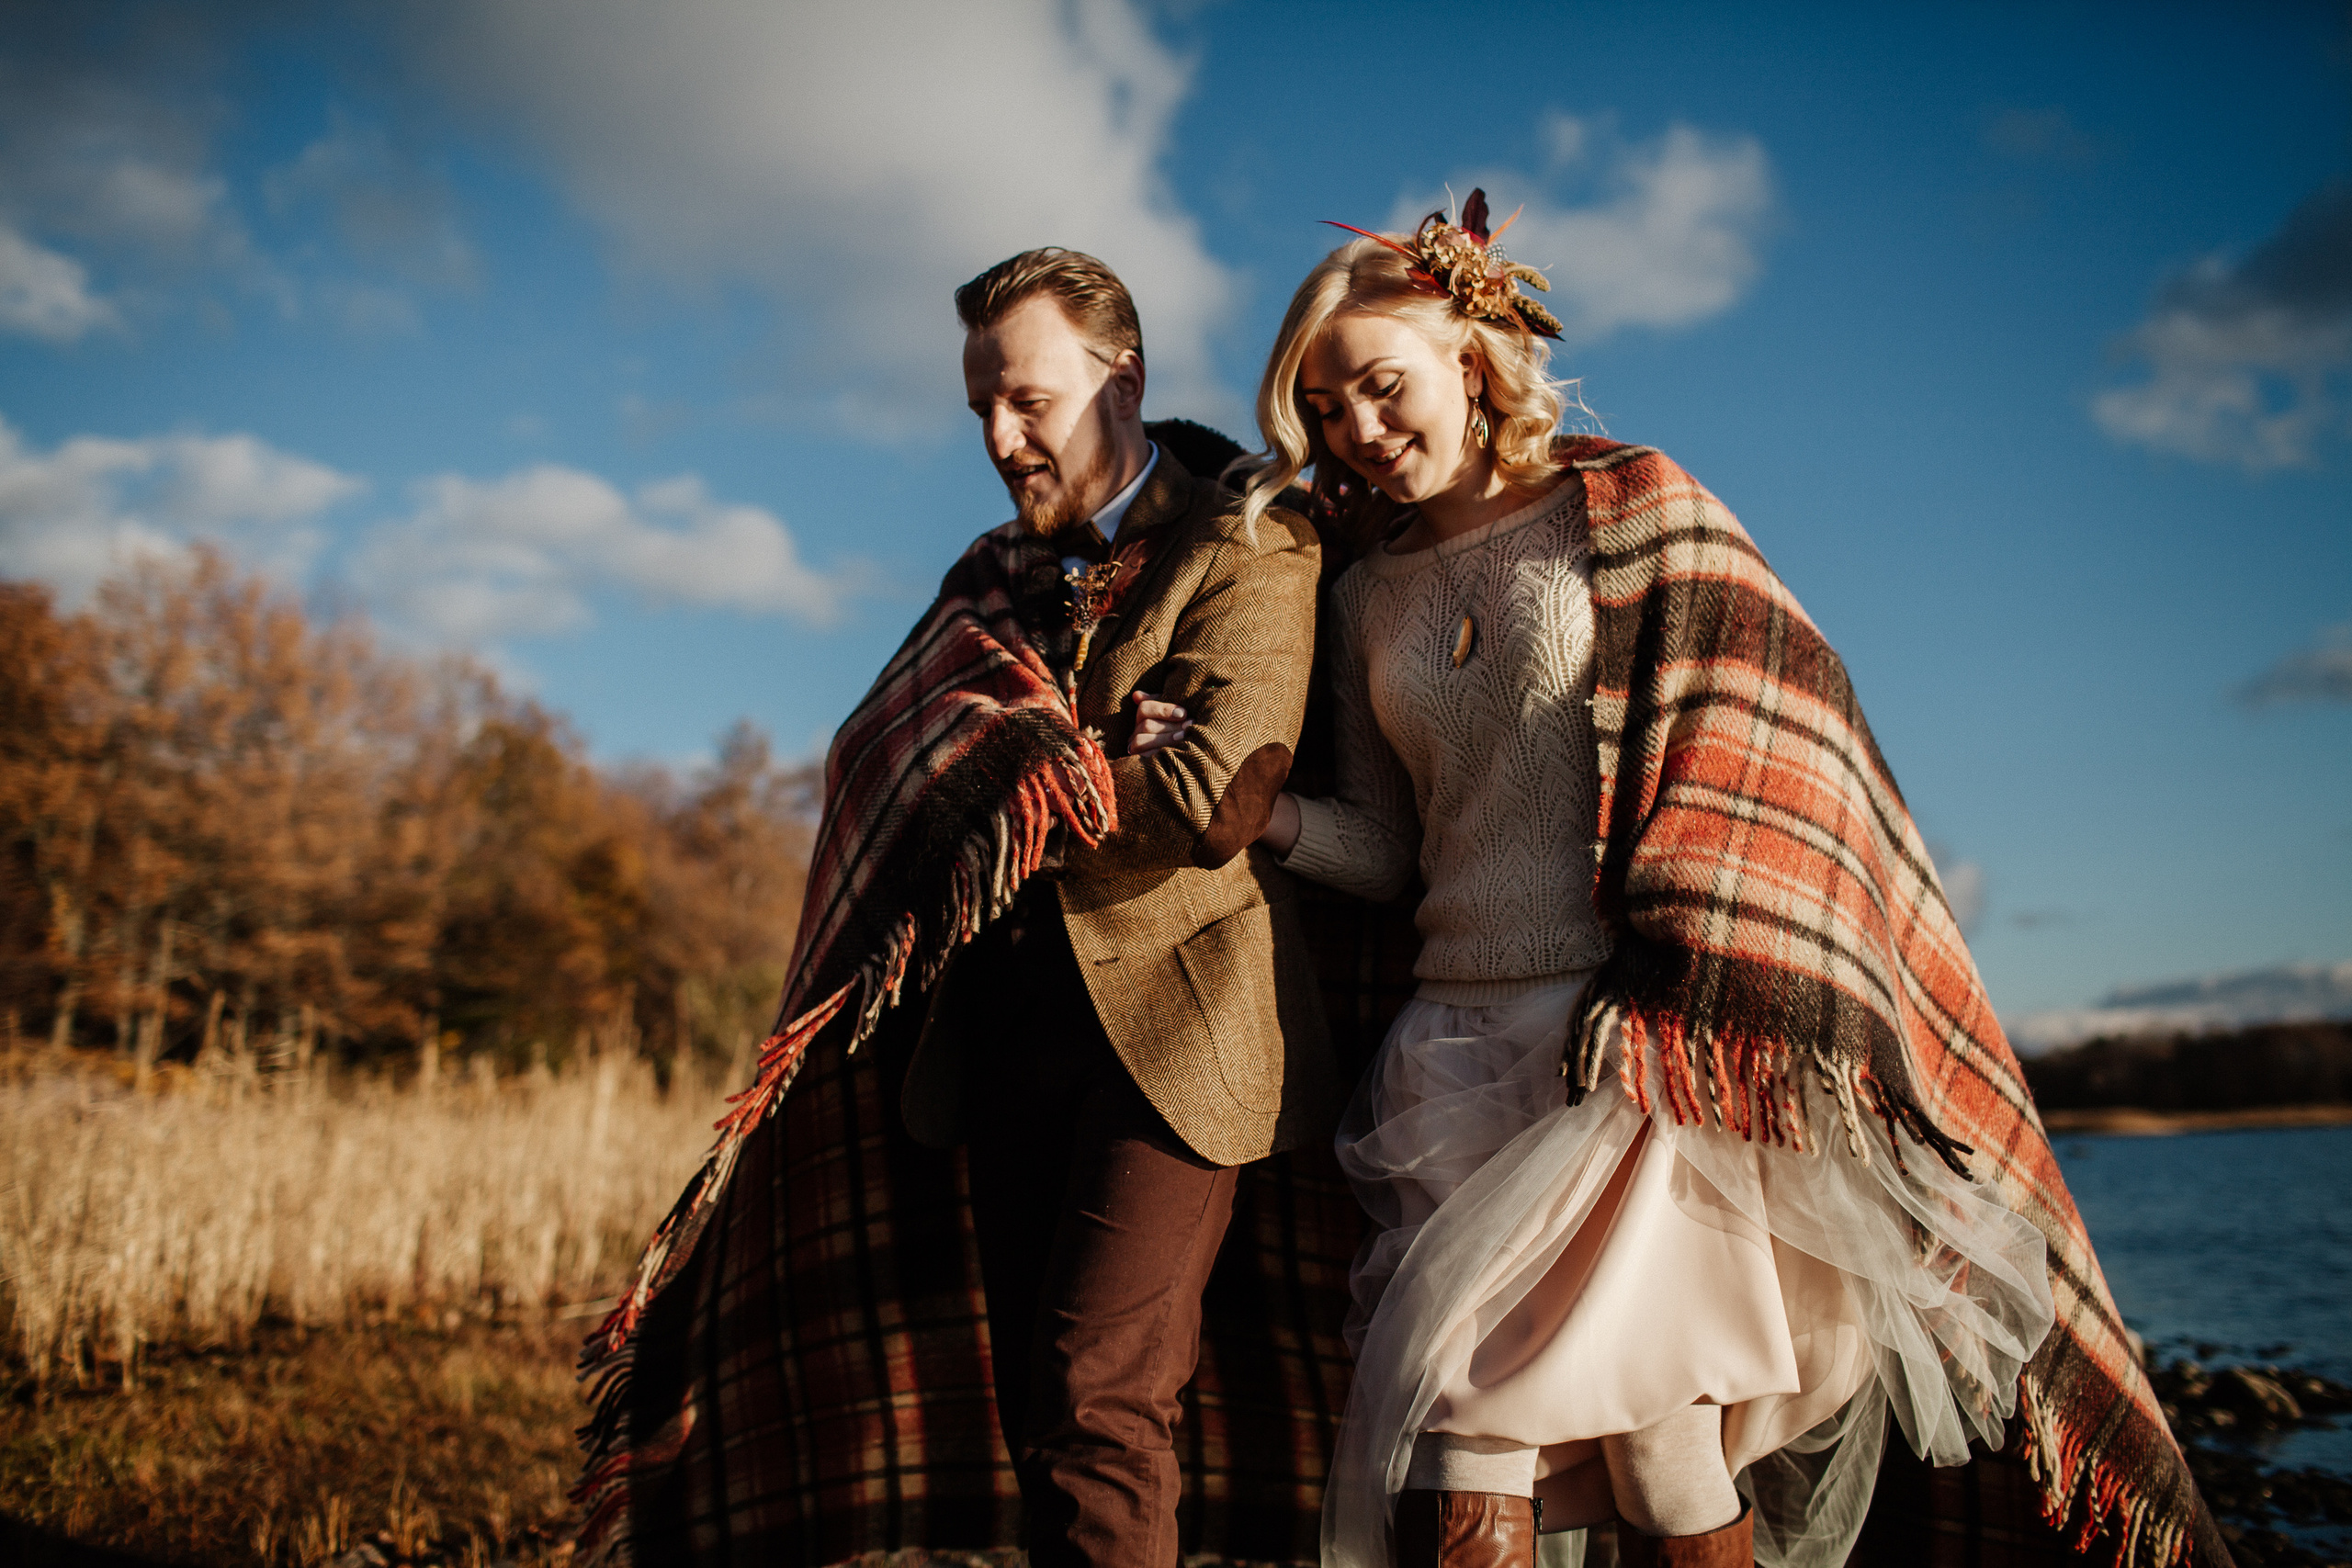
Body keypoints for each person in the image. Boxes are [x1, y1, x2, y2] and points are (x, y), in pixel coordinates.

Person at [1130, 195, 2231, 1568]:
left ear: (1470, 358)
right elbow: (1394, 847)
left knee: (1641, 1444)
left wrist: (1694, 963)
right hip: (1453, 1057)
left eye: (1380, 384)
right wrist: (1271, 818)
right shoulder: (1360, 597)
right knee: (1487, 1432)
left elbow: (1779, 740)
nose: (1356, 426)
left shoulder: (1636, 509)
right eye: (1323, 406)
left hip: (1634, 1055)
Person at [576, 247, 1344, 1568]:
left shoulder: (1251, 539)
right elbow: (889, 765)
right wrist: (1097, 752)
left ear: (1125, 379)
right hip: (994, 1045)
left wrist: (1043, 772)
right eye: (982, 408)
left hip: (1177, 1043)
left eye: (1028, 402)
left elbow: (1213, 800)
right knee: (1039, 1416)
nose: (999, 439)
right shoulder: (984, 577)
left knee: (1100, 1400)